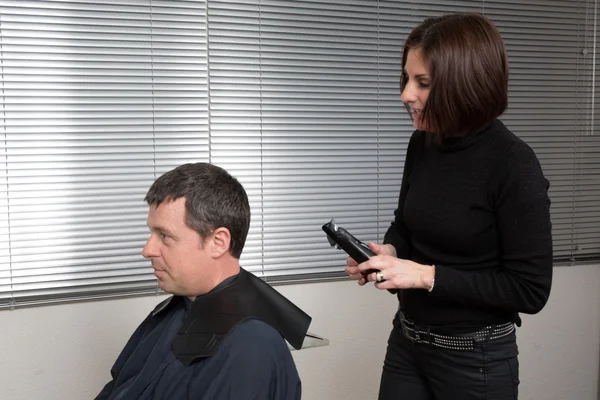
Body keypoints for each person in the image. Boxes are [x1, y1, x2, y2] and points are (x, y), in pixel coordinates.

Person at [345, 13, 552, 400]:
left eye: (422, 82)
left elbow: (530, 290)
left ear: (465, 84)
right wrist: (389, 252)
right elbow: (406, 225)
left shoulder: (513, 164)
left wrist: (425, 276)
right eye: (406, 78)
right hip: (407, 344)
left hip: (477, 362)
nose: (406, 94)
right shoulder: (422, 145)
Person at [95, 162, 311, 400]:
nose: (147, 249)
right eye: (152, 233)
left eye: (165, 236)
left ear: (218, 242)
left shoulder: (250, 346)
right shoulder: (174, 310)